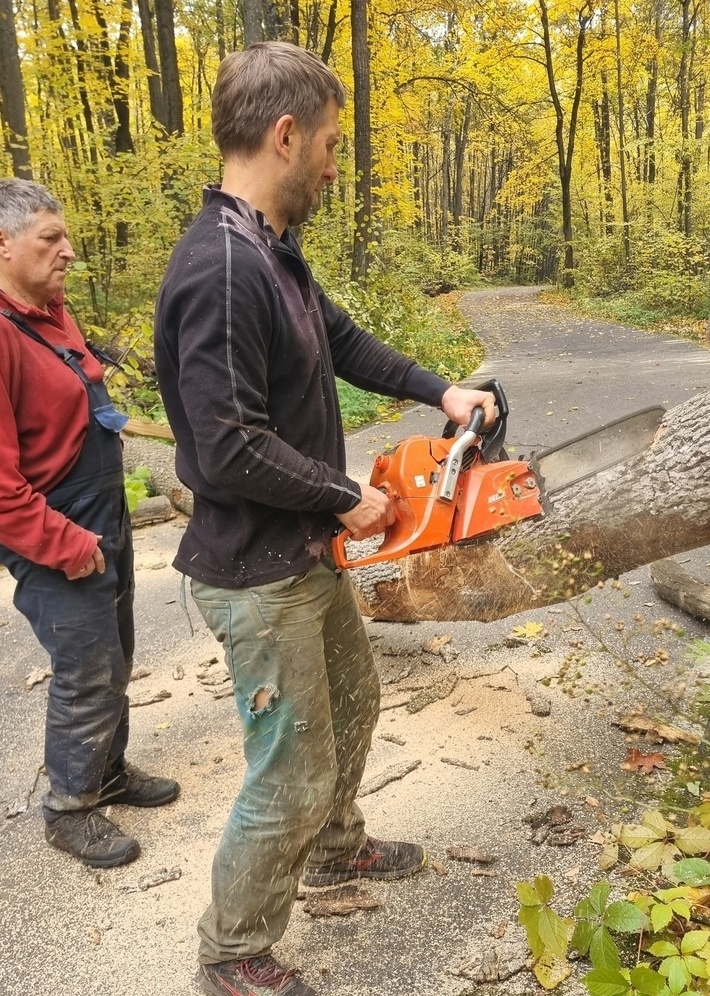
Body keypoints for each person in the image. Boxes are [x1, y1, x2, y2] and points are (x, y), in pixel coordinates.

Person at [154, 42, 496, 996]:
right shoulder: (222, 269)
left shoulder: (270, 251)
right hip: (254, 573)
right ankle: (232, 949)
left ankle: (337, 848)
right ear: (286, 134)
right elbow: (226, 448)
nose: (337, 167)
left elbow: (339, 339)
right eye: (332, 146)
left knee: (354, 706)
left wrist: (442, 390)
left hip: (300, 552)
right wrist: (349, 496)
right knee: (289, 769)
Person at [0, 178, 179, 869]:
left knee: (118, 651)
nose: (68, 251)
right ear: (5, 244)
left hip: (102, 513)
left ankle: (107, 771)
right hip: (52, 530)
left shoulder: (49, 309)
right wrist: (64, 544)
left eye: (65, 236)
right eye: (51, 239)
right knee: (87, 666)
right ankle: (69, 808)